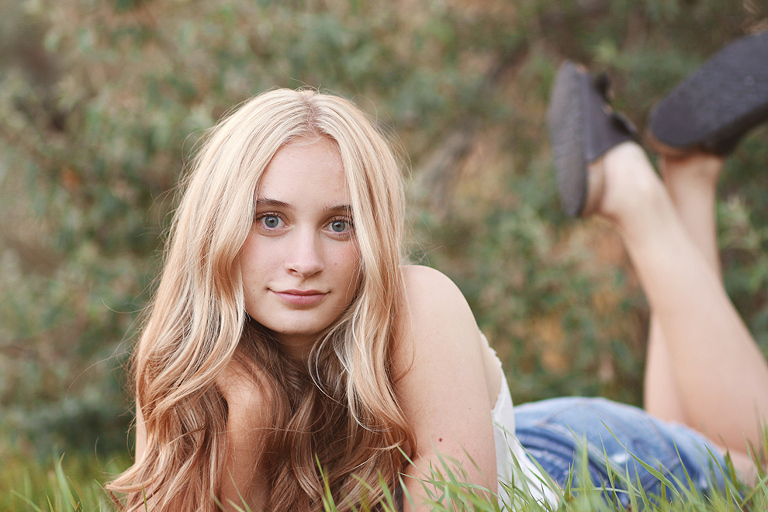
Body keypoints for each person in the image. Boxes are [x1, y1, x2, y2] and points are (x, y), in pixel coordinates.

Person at [107, 31, 768, 512]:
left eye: (340, 225)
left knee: (756, 468)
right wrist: (250, 412)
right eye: (270, 220)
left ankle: (633, 193)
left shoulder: (418, 304)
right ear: (215, 225)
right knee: (707, 437)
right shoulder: (181, 359)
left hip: (588, 464)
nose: (304, 262)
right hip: (501, 435)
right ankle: (690, 173)